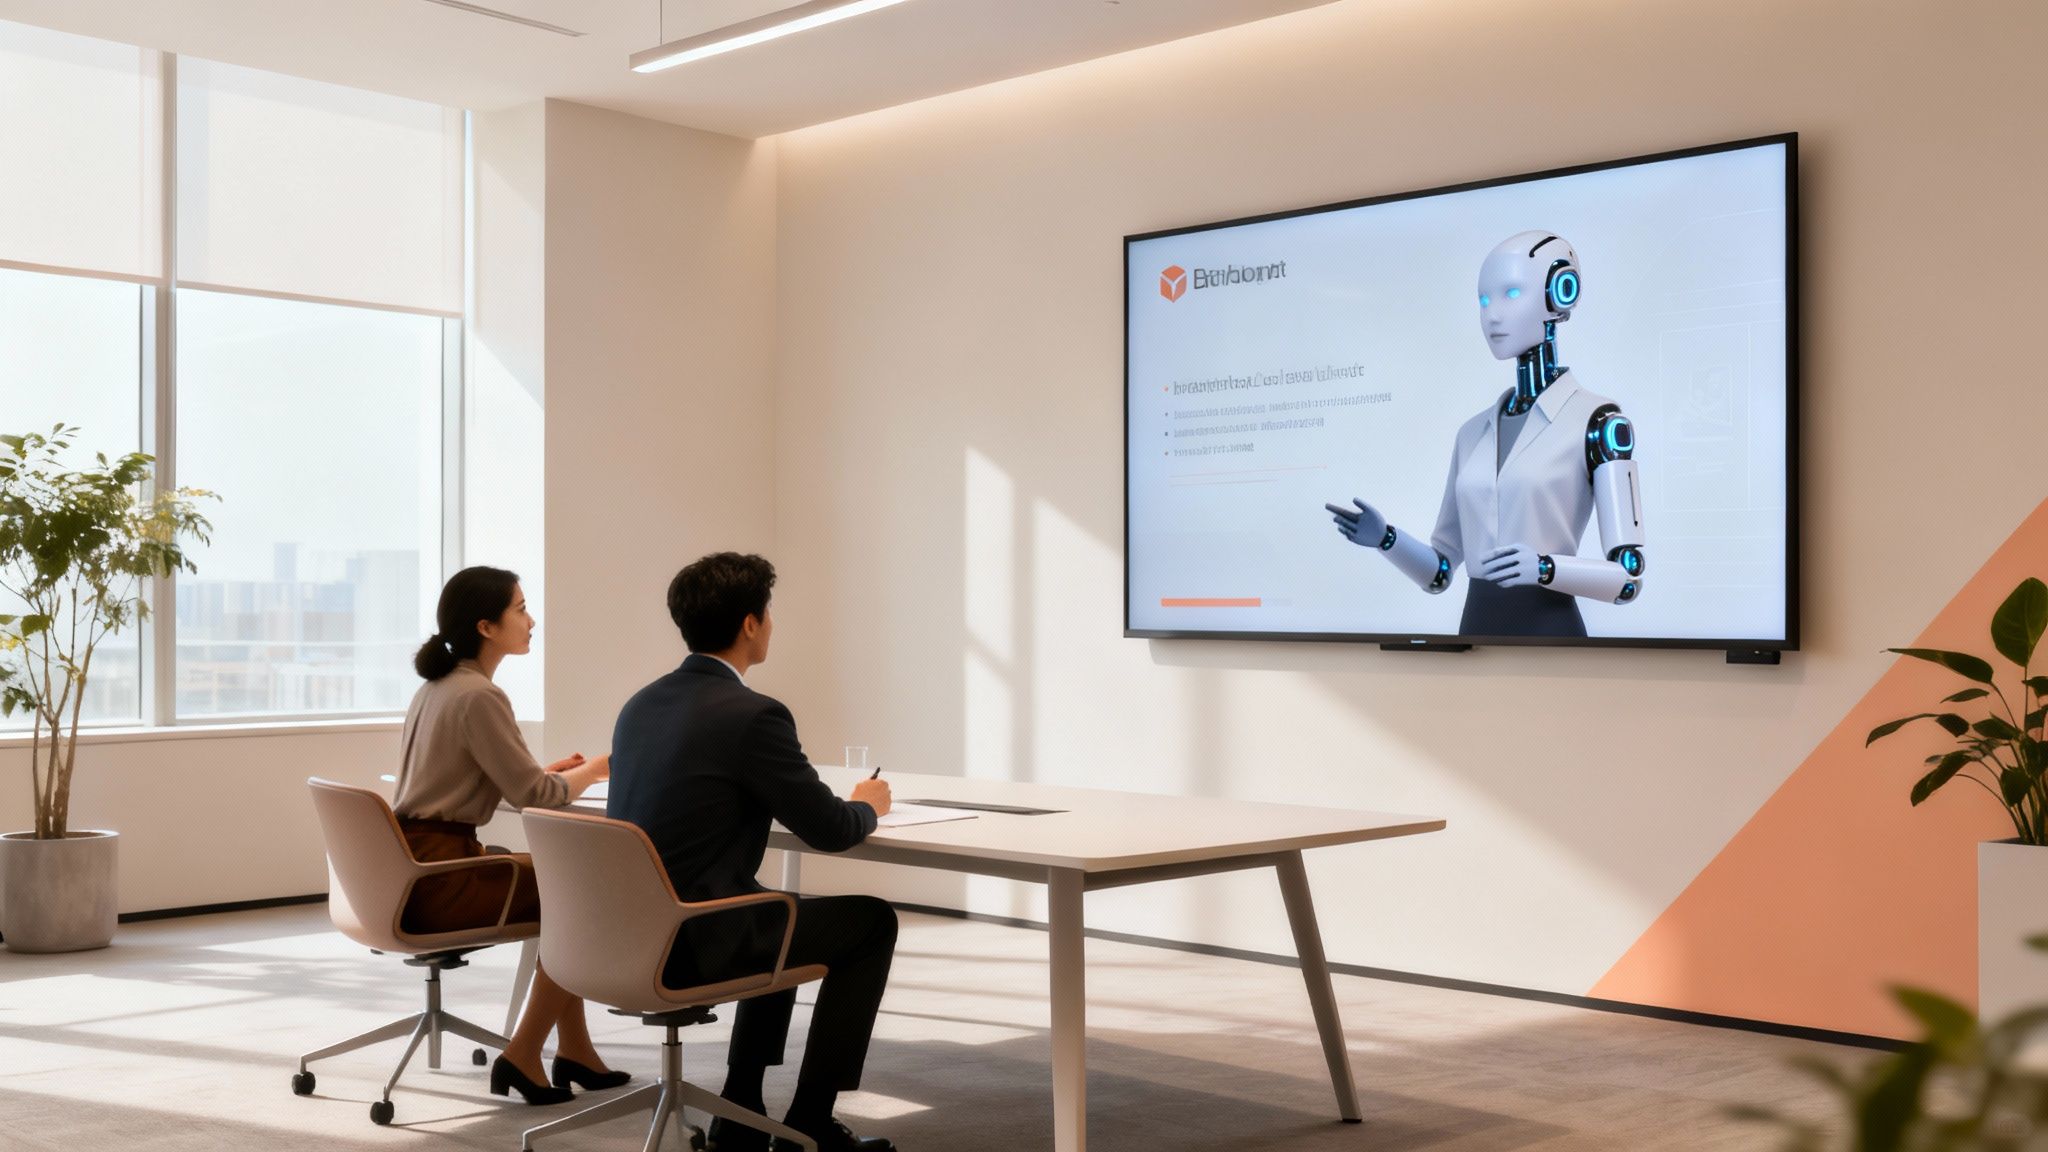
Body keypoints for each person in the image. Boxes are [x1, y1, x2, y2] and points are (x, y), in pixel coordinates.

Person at [608, 552, 898, 1152]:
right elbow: (830, 829)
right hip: (693, 939)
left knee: (775, 908)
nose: (771, 624)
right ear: (750, 624)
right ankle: (810, 1121)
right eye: (769, 613)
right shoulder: (753, 714)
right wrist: (870, 803)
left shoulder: (640, 705)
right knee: (870, 921)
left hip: (621, 934)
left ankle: (740, 1109)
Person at [1327, 231, 1647, 637]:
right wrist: (1386, 539)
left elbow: (1629, 577)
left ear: (1560, 292)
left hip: (1550, 633)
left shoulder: (1598, 422)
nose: (1492, 315)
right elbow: (1441, 572)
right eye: (1483, 301)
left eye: (1511, 294)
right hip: (1475, 632)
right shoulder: (1471, 433)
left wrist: (1546, 568)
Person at [391, 565, 624, 1106]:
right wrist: (594, 769)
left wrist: (546, 772)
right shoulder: (479, 696)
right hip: (440, 875)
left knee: (562, 888)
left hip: (416, 863)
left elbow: (469, 781)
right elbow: (535, 797)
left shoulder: (438, 688)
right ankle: (524, 1054)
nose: (531, 619)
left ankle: (577, 1053)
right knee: (581, 895)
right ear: (486, 626)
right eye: (520, 609)